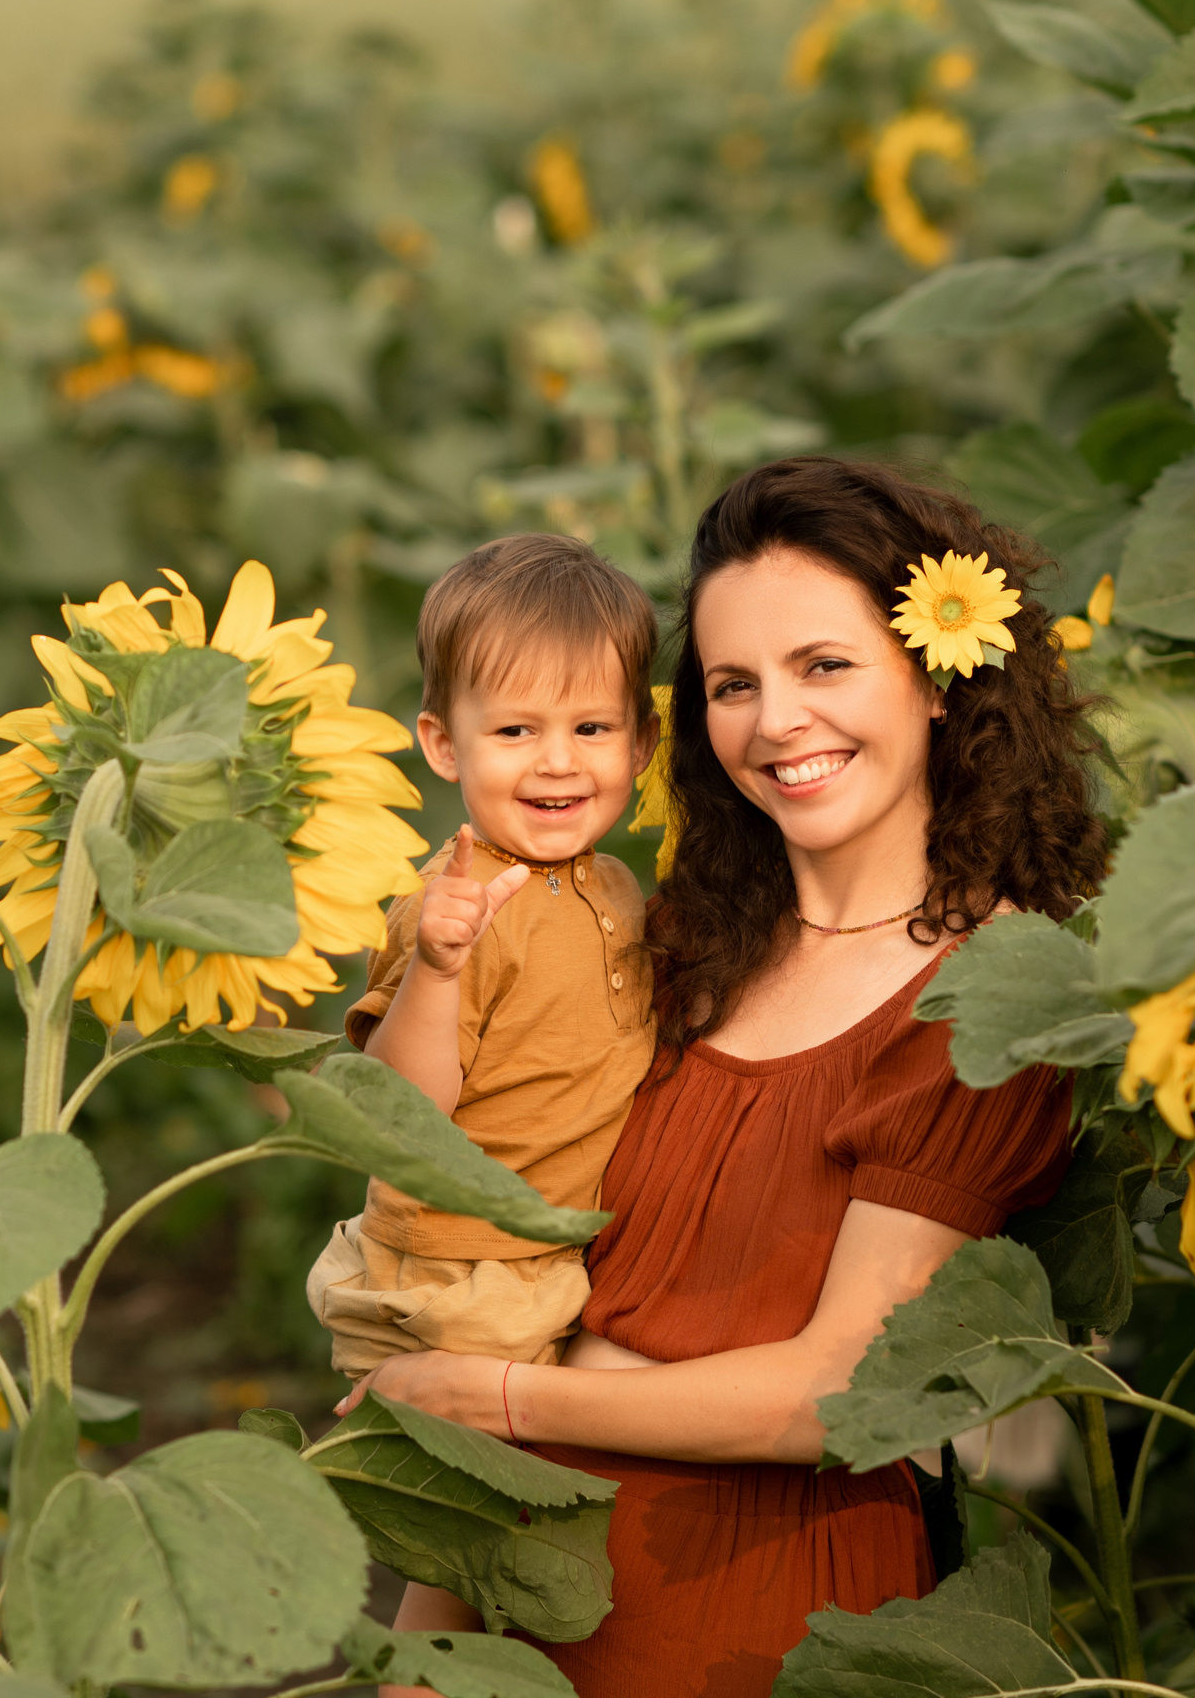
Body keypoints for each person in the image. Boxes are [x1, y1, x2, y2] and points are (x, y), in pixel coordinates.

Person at [342, 457, 1107, 1698]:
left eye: (824, 666)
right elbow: (522, 1287)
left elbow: (838, 1391)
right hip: (522, 1575)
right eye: (732, 685)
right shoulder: (674, 948)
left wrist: (485, 1398)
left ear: (935, 677)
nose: (776, 723)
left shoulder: (990, 999)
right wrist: (424, 1652)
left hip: (748, 1612)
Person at [306, 533, 660, 1383]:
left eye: (592, 727)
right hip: (458, 1276)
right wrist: (434, 969)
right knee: (459, 1489)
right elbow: (399, 1111)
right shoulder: (454, 910)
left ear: (643, 742)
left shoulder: (611, 883)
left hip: (560, 1255)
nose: (558, 761)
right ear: (443, 744)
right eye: (514, 729)